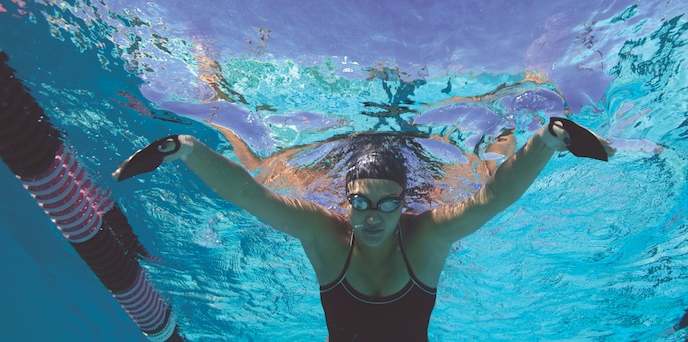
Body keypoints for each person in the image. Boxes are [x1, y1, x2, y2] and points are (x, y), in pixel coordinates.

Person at [114, 117, 615, 341]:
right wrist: (182, 148)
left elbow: (494, 197)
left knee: (482, 171)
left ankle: (505, 136)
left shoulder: (426, 238)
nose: (373, 216)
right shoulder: (326, 236)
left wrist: (549, 141)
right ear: (345, 201)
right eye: (361, 203)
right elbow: (251, 195)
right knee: (263, 166)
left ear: (404, 204)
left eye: (387, 204)